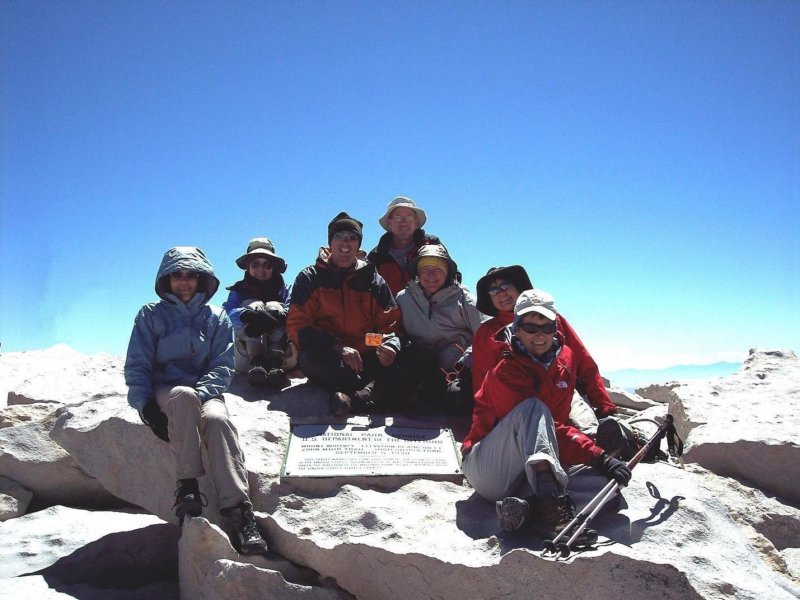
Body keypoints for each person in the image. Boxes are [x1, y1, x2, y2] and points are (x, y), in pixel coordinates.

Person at [124, 246, 268, 555]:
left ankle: (240, 511)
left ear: (202, 279)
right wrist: (146, 406)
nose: (185, 282)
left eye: (191, 275)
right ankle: (187, 484)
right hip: (166, 390)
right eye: (177, 275)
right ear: (166, 279)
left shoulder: (216, 317)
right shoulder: (151, 315)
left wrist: (201, 395)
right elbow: (138, 365)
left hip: (204, 391)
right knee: (182, 395)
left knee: (217, 420)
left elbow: (222, 365)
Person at [461, 289, 631, 539]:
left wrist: (602, 455)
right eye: (530, 327)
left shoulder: (565, 361)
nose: (539, 335)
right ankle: (551, 516)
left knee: (607, 486)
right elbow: (543, 425)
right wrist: (597, 455)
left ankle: (527, 510)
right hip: (489, 468)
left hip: (533, 462)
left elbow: (553, 431)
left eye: (546, 326)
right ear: (516, 328)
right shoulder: (505, 371)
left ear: (556, 328)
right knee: (533, 408)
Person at [286, 212, 403, 415]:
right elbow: (298, 325)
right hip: (330, 356)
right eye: (339, 237)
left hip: (366, 355)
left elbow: (390, 325)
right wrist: (339, 347)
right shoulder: (309, 278)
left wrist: (384, 346)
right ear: (330, 242)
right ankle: (369, 392)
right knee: (310, 358)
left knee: (409, 354)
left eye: (352, 238)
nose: (345, 244)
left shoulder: (374, 281)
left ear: (359, 245)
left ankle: (351, 395)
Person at [471, 265, 618, 419]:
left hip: (561, 395)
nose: (501, 293)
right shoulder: (486, 333)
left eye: (505, 285)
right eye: (494, 290)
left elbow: (583, 362)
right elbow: (482, 382)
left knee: (588, 428)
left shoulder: (553, 319)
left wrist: (604, 406)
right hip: (516, 406)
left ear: (519, 288)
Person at [394, 244, 487, 414]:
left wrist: (469, 356)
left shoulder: (465, 299)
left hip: (455, 370)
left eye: (437, 268)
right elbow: (394, 331)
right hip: (419, 367)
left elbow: (486, 334)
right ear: (417, 273)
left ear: (447, 272)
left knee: (457, 401)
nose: (431, 275)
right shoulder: (403, 298)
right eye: (425, 269)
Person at [223, 237, 295, 389]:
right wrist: (246, 315)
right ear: (247, 267)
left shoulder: (286, 290)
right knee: (253, 305)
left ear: (274, 267)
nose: (260, 270)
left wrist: (279, 316)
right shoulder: (238, 291)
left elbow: (297, 311)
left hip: (285, 358)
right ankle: (257, 362)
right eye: (255, 264)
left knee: (274, 306)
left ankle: (276, 363)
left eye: (267, 265)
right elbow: (226, 315)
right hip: (245, 360)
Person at [366, 196, 447, 296]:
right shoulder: (376, 256)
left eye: (409, 217)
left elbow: (453, 276)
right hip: (391, 311)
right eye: (397, 217)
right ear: (389, 223)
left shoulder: (431, 243)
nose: (403, 222)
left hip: (431, 310)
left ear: (416, 223)